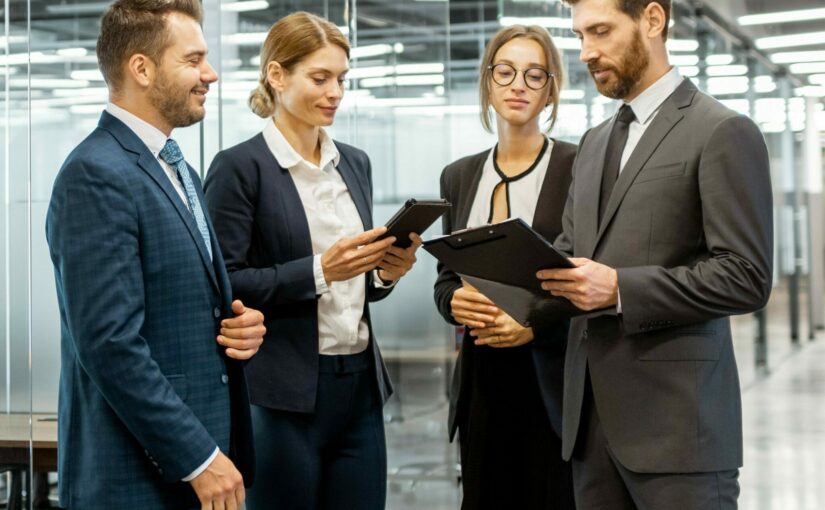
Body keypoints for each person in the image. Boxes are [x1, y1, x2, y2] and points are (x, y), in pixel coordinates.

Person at [535, 0, 773, 508]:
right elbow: (571, 255)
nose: (586, 52)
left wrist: (621, 288)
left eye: (600, 31)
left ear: (652, 19)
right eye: (579, 36)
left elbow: (746, 275)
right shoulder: (594, 143)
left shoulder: (721, 130)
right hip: (589, 427)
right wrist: (500, 283)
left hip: (678, 431)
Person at [45, 1, 266, 508]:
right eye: (193, 60)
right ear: (141, 68)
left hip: (196, 461)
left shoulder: (179, 169)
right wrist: (197, 457)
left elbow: (182, 304)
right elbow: (109, 343)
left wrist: (240, 326)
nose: (209, 74)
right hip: (139, 475)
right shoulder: (95, 174)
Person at [203, 11, 420, 510]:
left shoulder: (355, 162)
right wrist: (324, 269)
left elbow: (358, 285)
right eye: (319, 78)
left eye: (340, 79)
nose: (335, 93)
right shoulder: (240, 168)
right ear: (276, 76)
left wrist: (385, 272)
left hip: (360, 387)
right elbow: (224, 284)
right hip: (284, 393)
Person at [432, 25, 576, 510]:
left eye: (535, 75)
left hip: (552, 387)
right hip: (482, 386)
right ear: (488, 82)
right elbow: (444, 280)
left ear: (551, 88)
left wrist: (532, 323)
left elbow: (592, 278)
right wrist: (455, 300)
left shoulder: (578, 167)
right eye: (506, 72)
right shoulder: (460, 175)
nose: (519, 85)